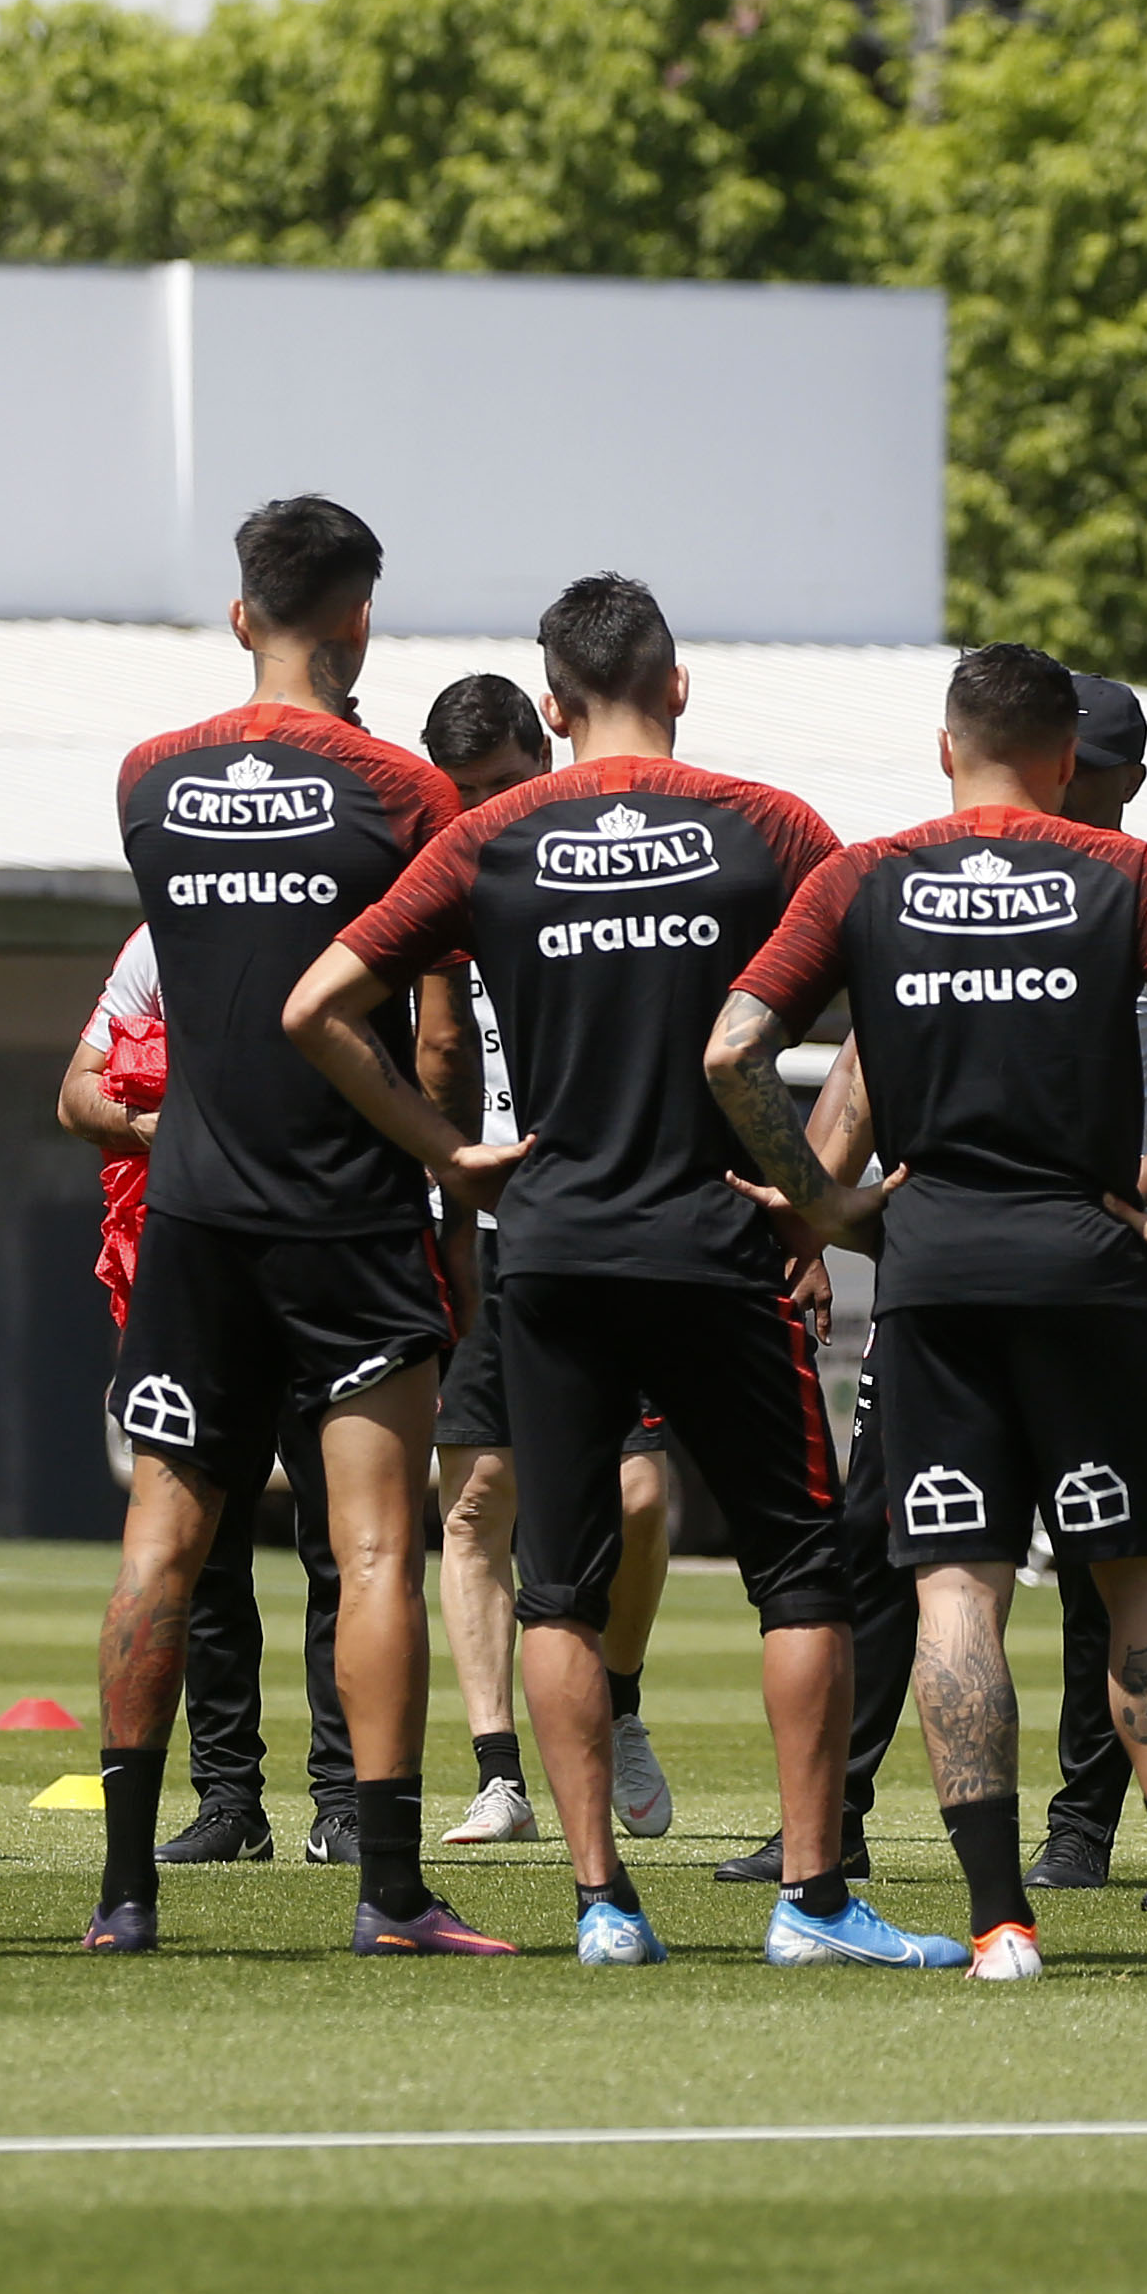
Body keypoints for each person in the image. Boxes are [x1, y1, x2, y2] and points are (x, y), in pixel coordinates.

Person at [307, 572, 909, 1969]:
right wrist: (812, 1194)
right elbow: (893, 995)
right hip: (719, 1247)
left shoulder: (492, 834)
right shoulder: (768, 825)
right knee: (800, 1574)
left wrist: (450, 1157)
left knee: (556, 1585)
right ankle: (814, 1903)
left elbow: (315, 1004)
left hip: (553, 1248)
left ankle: (600, 1905)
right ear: (677, 683)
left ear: (554, 704)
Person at [714, 642, 1147, 1981]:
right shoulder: (1128, 871)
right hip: (1086, 1273)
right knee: (1141, 1579)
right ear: (1063, 759)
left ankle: (999, 1922)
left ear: (947, 748)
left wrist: (824, 1201)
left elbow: (734, 1046)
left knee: (953, 1590)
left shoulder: (865, 873)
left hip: (929, 1277)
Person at [90, 500, 488, 1959]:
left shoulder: (148, 777)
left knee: (160, 1543)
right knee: (375, 1552)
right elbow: (437, 1038)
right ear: (360, 617)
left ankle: (123, 1892)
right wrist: (453, 1188)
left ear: (240, 611)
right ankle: (388, 1891)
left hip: (192, 1205)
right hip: (349, 1214)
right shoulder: (404, 791)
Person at [792, 670, 1147, 1897]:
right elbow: (863, 1064)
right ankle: (840, 1816)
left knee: (1061, 1574)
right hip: (1024, 1263)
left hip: (1007, 1263)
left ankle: (1055, 1852)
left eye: (1105, 774)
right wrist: (815, 1215)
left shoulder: (1121, 888)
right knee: (902, 1545)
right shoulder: (1069, 887)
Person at [404, 673, 684, 1860]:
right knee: (472, 1500)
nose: (484, 808)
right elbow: (430, 1043)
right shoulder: (453, 879)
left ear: (547, 745)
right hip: (489, 1224)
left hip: (616, 1216)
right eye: (463, 792)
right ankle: (497, 1774)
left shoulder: (605, 865)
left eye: (502, 783)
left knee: (638, 1495)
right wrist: (444, 1202)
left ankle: (613, 1698)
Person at [57, 924, 341, 1867]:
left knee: (345, 1550)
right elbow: (75, 1093)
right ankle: (228, 1800)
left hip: (325, 1262)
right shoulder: (165, 937)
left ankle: (346, 1804)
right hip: (192, 1273)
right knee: (203, 1553)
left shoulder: (348, 917)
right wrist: (155, 1128)